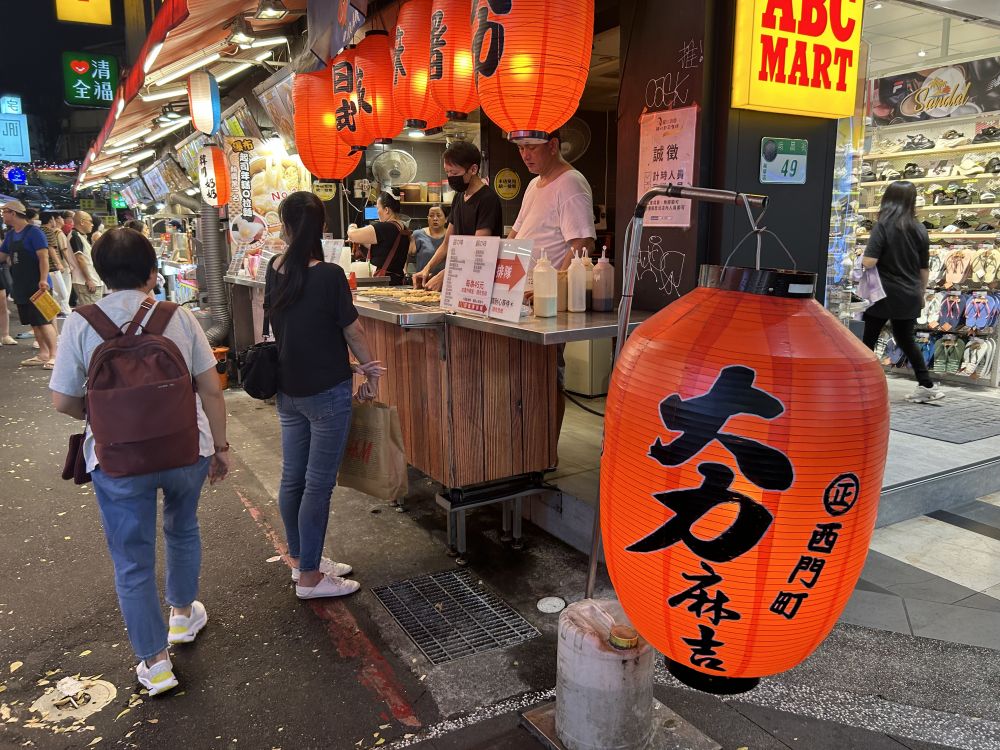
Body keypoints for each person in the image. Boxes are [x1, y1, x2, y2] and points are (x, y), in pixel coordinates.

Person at [50, 227, 229, 697]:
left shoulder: (80, 323)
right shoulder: (178, 316)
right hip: (185, 447)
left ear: (100, 274)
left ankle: (156, 664)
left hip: (117, 458)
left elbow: (62, 400)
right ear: (152, 273)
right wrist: (221, 447)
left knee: (132, 560)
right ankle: (182, 616)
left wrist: (104, 414)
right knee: (182, 527)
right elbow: (211, 388)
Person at [265, 192, 383, 599]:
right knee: (317, 485)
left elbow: (292, 330)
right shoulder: (330, 275)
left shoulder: (274, 268)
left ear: (285, 226)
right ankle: (311, 578)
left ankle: (302, 562)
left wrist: (353, 366)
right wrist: (369, 369)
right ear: (322, 228)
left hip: (288, 390)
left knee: (292, 479)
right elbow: (353, 331)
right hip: (327, 394)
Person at [510, 129, 597, 435]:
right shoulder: (533, 185)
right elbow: (515, 235)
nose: (525, 155)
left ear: (554, 146)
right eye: (521, 148)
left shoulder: (570, 182)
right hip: (520, 300)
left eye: (531, 147)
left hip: (545, 304)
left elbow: (582, 242)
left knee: (545, 379)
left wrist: (550, 288)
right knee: (521, 380)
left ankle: (547, 452)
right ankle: (528, 450)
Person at [861, 181, 942, 403]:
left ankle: (861, 384)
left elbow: (869, 261)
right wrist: (921, 294)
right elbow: (923, 269)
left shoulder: (883, 226)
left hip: (883, 294)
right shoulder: (919, 229)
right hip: (909, 293)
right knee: (905, 338)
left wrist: (862, 261)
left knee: (867, 339)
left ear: (888, 199)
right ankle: (926, 385)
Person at [412, 141, 504, 291]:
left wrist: (446, 274)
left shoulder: (488, 199)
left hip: (481, 281)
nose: (450, 177)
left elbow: (479, 248)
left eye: (454, 173)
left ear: (473, 169)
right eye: (447, 172)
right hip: (460, 280)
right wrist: (426, 269)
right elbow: (447, 243)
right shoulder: (459, 197)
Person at [0, 201, 59, 368]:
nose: (2, 215)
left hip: (38, 285)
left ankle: (55, 355)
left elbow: (43, 258)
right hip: (21, 284)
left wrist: (43, 279)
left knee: (44, 321)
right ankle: (43, 354)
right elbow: (2, 256)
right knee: (34, 322)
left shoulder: (34, 232)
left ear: (13, 213)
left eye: (4, 212)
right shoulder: (11, 235)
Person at [345, 191, 411, 284]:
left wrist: (352, 226)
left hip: (384, 282)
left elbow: (352, 234)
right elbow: (384, 248)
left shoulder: (386, 227)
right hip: (396, 280)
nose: (377, 212)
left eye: (377, 208)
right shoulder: (402, 227)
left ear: (386, 210)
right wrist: (361, 240)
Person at [40, 212, 71, 316]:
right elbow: (51, 249)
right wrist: (58, 263)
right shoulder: (49, 231)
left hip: (44, 267)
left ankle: (53, 312)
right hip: (52, 267)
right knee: (62, 293)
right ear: (51, 220)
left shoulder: (39, 230)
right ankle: (58, 312)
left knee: (53, 292)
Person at [70, 211, 104, 304]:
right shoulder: (75, 236)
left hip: (90, 280)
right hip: (86, 282)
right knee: (93, 310)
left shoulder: (80, 236)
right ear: (82, 222)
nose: (92, 225)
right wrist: (89, 280)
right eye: (90, 221)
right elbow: (80, 259)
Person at [409, 205, 447, 277]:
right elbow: (407, 255)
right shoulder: (418, 234)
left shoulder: (451, 235)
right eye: (431, 216)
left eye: (438, 215)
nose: (435, 219)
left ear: (446, 219)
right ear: (427, 218)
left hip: (444, 280)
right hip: (423, 280)